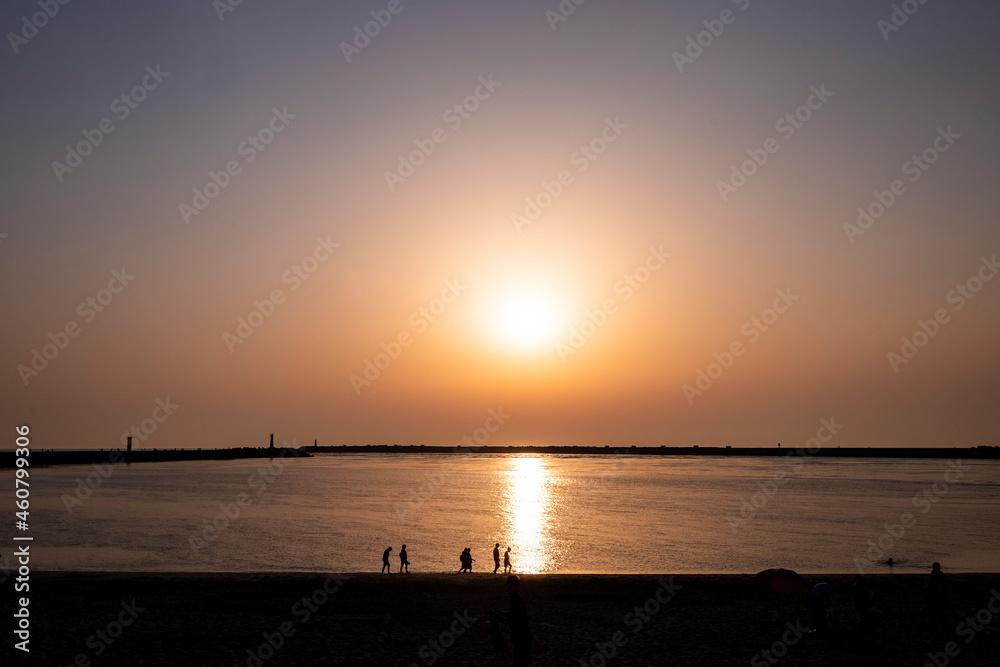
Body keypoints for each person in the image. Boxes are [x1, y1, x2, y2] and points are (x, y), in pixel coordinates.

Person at [493, 575, 532, 666]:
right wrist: (497, 612)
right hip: (521, 636)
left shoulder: (515, 600)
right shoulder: (514, 599)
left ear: (513, 586)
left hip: (522, 637)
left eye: (508, 583)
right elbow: (511, 614)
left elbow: (510, 620)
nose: (506, 585)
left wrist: (496, 616)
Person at [928, 562, 949, 632]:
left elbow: (934, 585)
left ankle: (937, 625)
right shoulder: (940, 574)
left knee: (936, 612)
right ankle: (940, 625)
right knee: (940, 612)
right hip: (939, 595)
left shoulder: (935, 574)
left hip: (937, 595)